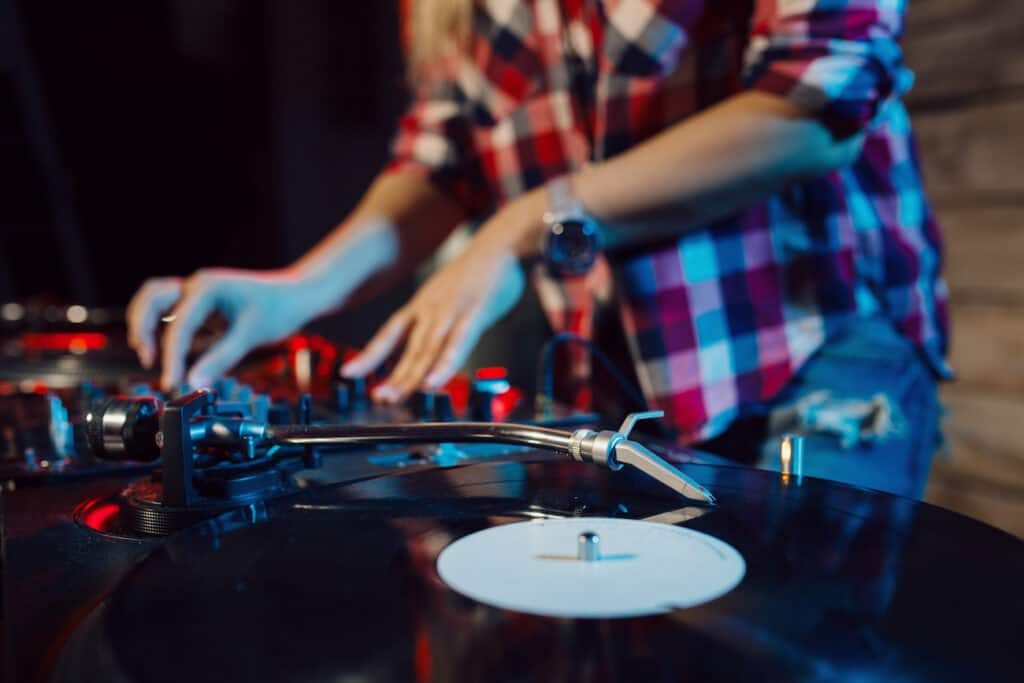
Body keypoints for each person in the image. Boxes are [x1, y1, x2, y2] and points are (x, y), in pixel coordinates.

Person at [127, 0, 948, 499]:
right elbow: (440, 162)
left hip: (814, 343)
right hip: (613, 369)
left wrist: (527, 222)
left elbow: (816, 101)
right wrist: (294, 289)